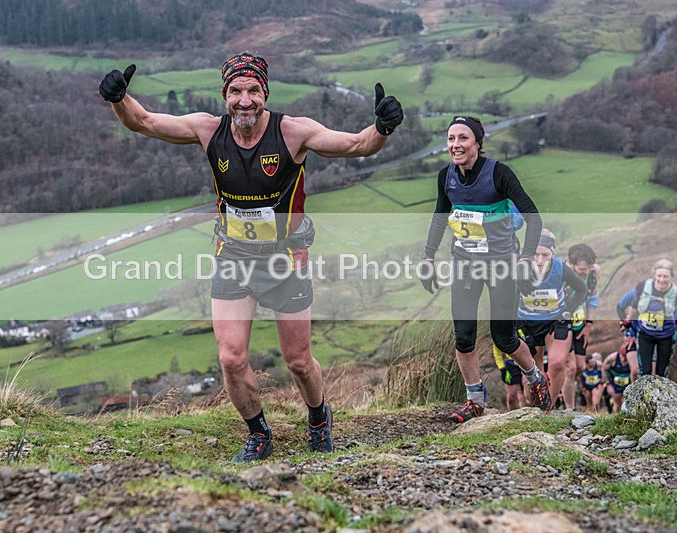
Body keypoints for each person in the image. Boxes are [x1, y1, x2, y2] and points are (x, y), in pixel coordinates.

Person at [98, 53, 404, 462]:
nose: (245, 101)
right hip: (234, 257)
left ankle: (317, 417)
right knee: (230, 358)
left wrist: (382, 127)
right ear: (225, 95)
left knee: (297, 360)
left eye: (253, 91)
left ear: (265, 93)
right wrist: (120, 99)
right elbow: (145, 122)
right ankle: (258, 433)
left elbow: (356, 144)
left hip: (285, 260)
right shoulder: (208, 131)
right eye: (236, 91)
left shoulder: (293, 133)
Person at [419, 115, 552, 422]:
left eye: (463, 138)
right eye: (451, 138)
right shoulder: (446, 176)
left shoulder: (499, 174)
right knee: (463, 337)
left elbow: (534, 218)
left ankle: (534, 378)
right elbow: (440, 217)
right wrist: (427, 258)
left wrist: (525, 258)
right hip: (465, 263)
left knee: (503, 337)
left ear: (478, 143)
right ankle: (475, 399)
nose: (455, 145)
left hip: (502, 265)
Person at [517, 229, 588, 409]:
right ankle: (533, 408)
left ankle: (548, 406)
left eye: (545, 255)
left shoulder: (560, 267)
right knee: (533, 372)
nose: (540, 260)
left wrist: (567, 312)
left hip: (555, 321)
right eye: (535, 255)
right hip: (526, 324)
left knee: (557, 365)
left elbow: (582, 290)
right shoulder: (519, 268)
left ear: (553, 253)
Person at [623, 259, 677, 378]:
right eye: (659, 276)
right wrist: (628, 322)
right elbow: (634, 305)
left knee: (661, 373)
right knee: (645, 372)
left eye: (666, 277)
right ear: (654, 274)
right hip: (645, 334)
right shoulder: (643, 286)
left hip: (666, 336)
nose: (662, 280)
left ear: (672, 276)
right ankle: (643, 396)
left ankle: (660, 396)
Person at [562, 243, 600, 410]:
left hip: (580, 324)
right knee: (570, 369)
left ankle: (557, 386)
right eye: (581, 269)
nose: (586, 271)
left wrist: (588, 325)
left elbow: (592, 299)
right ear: (571, 264)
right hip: (562, 323)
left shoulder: (593, 272)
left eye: (588, 268)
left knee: (580, 367)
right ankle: (569, 409)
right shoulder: (562, 271)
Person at [603, 337, 634, 412]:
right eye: (622, 357)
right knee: (617, 403)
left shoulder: (632, 360)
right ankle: (615, 418)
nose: (624, 360)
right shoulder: (612, 358)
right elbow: (603, 369)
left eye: (626, 358)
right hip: (615, 384)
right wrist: (607, 384)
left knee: (625, 404)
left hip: (627, 383)